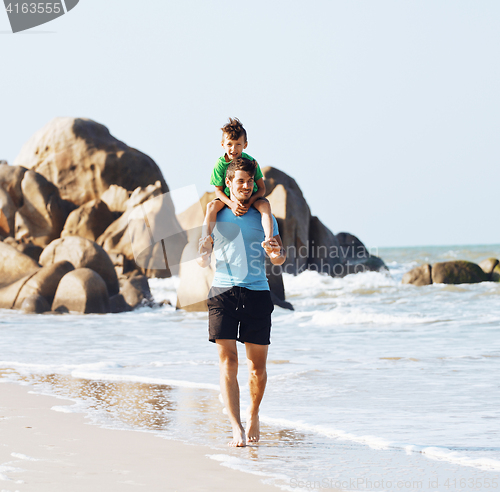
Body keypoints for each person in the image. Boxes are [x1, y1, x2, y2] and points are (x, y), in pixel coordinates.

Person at [197, 157, 286, 447]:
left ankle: (254, 413)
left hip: (257, 293)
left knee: (256, 368)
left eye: (249, 181)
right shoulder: (216, 213)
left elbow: (279, 257)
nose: (246, 186)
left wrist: (275, 252)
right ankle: (235, 426)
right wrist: (204, 251)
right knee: (228, 362)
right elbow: (201, 259)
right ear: (229, 184)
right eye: (240, 181)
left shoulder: (264, 216)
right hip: (223, 292)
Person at [200, 117, 277, 256]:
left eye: (238, 144)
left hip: (251, 196)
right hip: (229, 198)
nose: (233, 149)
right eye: (229, 144)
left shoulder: (252, 162)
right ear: (222, 144)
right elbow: (217, 190)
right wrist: (231, 204)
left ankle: (269, 239)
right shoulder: (219, 165)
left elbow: (262, 188)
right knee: (211, 207)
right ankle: (206, 239)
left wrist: (250, 202)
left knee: (265, 205)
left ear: (245, 145)